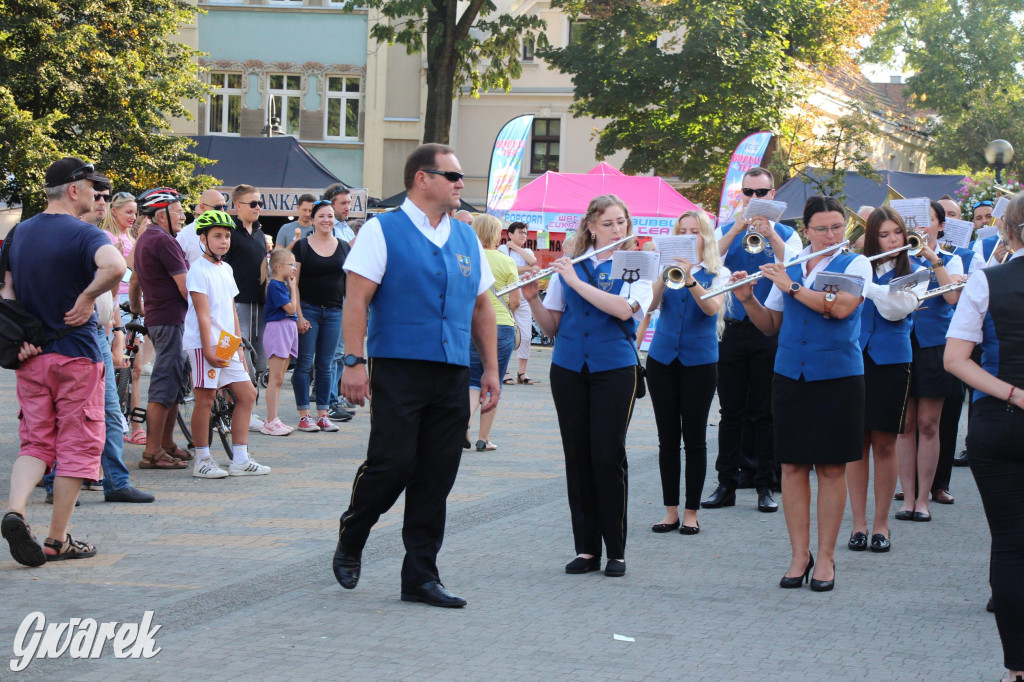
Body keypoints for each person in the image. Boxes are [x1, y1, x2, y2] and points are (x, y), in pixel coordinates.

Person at [334, 143, 498, 608]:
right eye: (452, 176)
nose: (460, 184)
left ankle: (420, 576)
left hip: (451, 371)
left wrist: (489, 367)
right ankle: (354, 531)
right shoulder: (382, 229)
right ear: (422, 179)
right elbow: (356, 301)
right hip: (400, 366)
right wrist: (353, 362)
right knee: (393, 464)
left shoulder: (466, 236)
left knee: (437, 474)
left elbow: (482, 305)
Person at [732, 195, 871, 591]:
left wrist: (792, 286)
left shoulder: (856, 262)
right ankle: (799, 554)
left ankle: (825, 557)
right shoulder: (792, 262)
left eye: (837, 227)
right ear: (805, 230)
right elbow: (770, 325)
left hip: (838, 377)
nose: (831, 235)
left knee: (831, 468)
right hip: (790, 375)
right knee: (792, 467)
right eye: (822, 228)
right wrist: (748, 300)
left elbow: (841, 308)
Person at [1, 157, 125, 565]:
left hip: (31, 357)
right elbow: (116, 266)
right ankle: (57, 539)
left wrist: (19, 338)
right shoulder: (84, 234)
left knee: (36, 441)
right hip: (76, 355)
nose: (96, 194)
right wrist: (88, 298)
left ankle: (15, 510)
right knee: (78, 444)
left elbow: (7, 292)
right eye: (92, 187)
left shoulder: (19, 232)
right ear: (73, 190)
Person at [525, 194, 650, 578]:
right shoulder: (571, 265)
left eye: (622, 222)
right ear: (591, 226)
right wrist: (532, 298)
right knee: (577, 456)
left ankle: (616, 550)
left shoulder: (638, 262)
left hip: (614, 368)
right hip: (567, 367)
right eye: (609, 223)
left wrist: (574, 280)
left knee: (607, 455)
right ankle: (586, 549)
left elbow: (623, 309)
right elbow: (553, 327)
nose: (617, 230)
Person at [944, 192, 1024, 682]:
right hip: (1004, 418)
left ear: (1008, 232)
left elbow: (955, 360)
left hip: (999, 421)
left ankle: (1017, 668)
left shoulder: (987, 280)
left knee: (1011, 546)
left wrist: (1014, 394)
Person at [705, 167, 801, 514]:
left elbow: (795, 265)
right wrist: (738, 226)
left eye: (762, 193)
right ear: (741, 195)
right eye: (749, 192)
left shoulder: (787, 234)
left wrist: (769, 231)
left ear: (773, 195)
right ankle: (726, 483)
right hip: (730, 326)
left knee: (765, 410)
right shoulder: (727, 227)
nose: (755, 199)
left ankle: (765, 484)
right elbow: (708, 259)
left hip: (769, 328)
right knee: (730, 410)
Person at [846, 208, 927, 553]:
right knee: (856, 445)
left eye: (897, 233)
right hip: (853, 358)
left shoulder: (917, 272)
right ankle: (858, 525)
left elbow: (895, 310)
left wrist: (868, 287)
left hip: (892, 362)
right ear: (872, 238)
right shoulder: (855, 264)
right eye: (885, 235)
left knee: (884, 443)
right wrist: (866, 277)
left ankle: (881, 524)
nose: (893, 241)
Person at [646, 210, 728, 536]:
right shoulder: (665, 271)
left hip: (700, 361)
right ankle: (670, 511)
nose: (689, 236)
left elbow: (711, 308)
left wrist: (690, 277)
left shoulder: (717, 272)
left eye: (695, 231)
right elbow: (649, 306)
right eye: (683, 231)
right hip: (662, 359)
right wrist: (663, 273)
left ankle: (691, 512)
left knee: (694, 439)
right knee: (667, 439)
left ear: (704, 237)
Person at [184, 210, 269, 478]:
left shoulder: (226, 268)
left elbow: (231, 309)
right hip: (203, 344)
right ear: (203, 238)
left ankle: (240, 459)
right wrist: (208, 350)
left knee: (247, 394)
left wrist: (238, 346)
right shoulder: (198, 270)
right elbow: (202, 313)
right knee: (206, 399)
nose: (223, 241)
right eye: (217, 236)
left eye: (227, 236)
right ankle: (202, 459)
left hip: (226, 342)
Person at [895, 201, 965, 523]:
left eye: (929, 222)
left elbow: (952, 298)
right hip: (902, 345)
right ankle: (907, 497)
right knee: (905, 425)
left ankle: (923, 498)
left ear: (940, 226)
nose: (922, 228)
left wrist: (932, 258)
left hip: (935, 346)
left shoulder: (953, 259)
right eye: (916, 223)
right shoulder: (897, 261)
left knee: (928, 424)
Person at [129, 187, 193, 469]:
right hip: (170, 318)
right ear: (161, 213)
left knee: (174, 383)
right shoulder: (164, 241)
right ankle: (152, 452)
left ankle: (165, 443)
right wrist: (207, 315)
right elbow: (185, 287)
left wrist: (137, 307)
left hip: (160, 316)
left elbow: (134, 282)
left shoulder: (147, 238)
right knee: (165, 383)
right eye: (178, 211)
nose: (182, 216)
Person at [292, 200, 350, 432]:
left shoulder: (344, 246)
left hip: (334, 311)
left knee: (326, 365)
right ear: (313, 219)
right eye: (321, 216)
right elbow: (292, 282)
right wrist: (298, 314)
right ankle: (304, 414)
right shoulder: (302, 246)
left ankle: (323, 414)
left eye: (329, 216)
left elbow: (350, 282)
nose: (326, 220)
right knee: (305, 363)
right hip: (309, 310)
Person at [466, 214, 519, 451]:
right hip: (500, 324)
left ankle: (462, 428)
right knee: (494, 381)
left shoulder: (467, 257)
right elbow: (515, 300)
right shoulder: (506, 261)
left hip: (470, 323)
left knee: (472, 380)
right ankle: (483, 437)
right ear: (497, 234)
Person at [223, 184, 269, 429]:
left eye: (259, 203)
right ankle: (231, 409)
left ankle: (246, 410)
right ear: (238, 206)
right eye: (253, 203)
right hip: (237, 302)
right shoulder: (230, 232)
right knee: (237, 355)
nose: (258, 207)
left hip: (259, 303)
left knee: (258, 360)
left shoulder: (261, 234)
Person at [324, 184, 356, 422]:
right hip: (333, 297)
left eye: (349, 202)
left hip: (348, 295)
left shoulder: (345, 229)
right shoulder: (329, 230)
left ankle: (336, 397)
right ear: (331, 205)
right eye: (343, 203)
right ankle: (330, 401)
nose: (348, 207)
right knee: (334, 353)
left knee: (341, 351)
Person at [260, 249, 299, 436]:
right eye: (291, 264)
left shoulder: (282, 284)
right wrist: (294, 288)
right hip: (279, 329)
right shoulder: (275, 285)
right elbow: (291, 308)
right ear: (278, 266)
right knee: (275, 378)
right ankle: (270, 420)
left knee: (280, 378)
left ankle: (273, 419)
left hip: (288, 329)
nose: (294, 268)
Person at [498, 221, 539, 385]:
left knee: (526, 335)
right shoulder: (502, 249)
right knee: (507, 334)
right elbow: (509, 268)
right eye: (520, 232)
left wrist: (515, 247)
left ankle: (522, 371)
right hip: (507, 295)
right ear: (510, 233)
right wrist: (528, 268)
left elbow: (532, 260)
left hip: (523, 296)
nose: (523, 235)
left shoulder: (524, 250)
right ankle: (505, 371)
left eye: (525, 233)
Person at [177, 189, 227, 267]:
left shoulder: (225, 233)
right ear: (202, 207)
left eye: (224, 207)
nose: (222, 211)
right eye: (218, 207)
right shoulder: (184, 235)